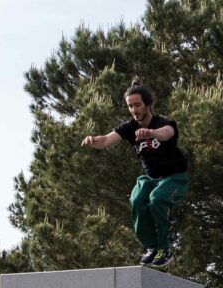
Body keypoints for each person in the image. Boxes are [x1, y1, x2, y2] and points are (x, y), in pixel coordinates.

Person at [81, 79, 191, 268]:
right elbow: (106, 140)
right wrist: (93, 140)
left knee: (156, 199)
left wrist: (151, 133)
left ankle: (166, 245)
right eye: (130, 106)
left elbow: (167, 133)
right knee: (137, 200)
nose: (134, 110)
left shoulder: (163, 123)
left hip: (174, 178)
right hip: (151, 178)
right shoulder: (129, 127)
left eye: (137, 105)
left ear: (147, 104)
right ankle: (152, 246)